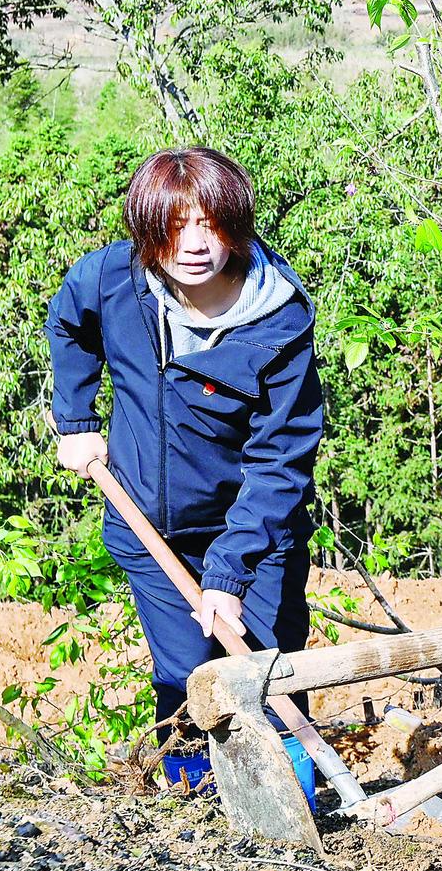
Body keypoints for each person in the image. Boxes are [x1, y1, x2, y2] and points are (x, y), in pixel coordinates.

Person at [46, 147, 323, 776]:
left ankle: (294, 803)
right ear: (147, 230)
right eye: (174, 226)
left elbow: (281, 459)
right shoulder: (112, 280)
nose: (194, 245)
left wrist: (229, 571)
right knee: (186, 677)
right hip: (147, 522)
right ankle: (192, 809)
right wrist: (77, 421)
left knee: (267, 669)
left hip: (255, 532)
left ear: (236, 226)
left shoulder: (278, 320)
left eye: (210, 224)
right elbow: (68, 323)